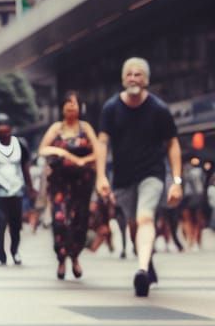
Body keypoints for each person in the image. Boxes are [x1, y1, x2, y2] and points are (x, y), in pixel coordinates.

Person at [96, 57, 182, 298]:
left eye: (138, 74)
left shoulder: (158, 109)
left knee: (145, 219)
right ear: (123, 79)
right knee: (134, 226)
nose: (133, 78)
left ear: (146, 80)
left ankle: (141, 271)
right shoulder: (111, 108)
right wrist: (101, 176)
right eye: (129, 74)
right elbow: (102, 143)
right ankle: (148, 262)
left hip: (152, 173)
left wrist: (176, 181)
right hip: (122, 177)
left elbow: (172, 144)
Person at [38, 91, 100, 280]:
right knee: (59, 220)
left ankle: (75, 257)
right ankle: (61, 258)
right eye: (68, 103)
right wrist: (64, 154)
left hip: (82, 183)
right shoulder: (56, 128)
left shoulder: (86, 128)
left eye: (74, 103)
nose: (71, 106)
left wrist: (83, 161)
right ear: (62, 107)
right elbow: (43, 149)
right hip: (60, 183)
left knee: (79, 222)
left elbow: (98, 152)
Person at [0, 114, 33, 267]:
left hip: (16, 188)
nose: (3, 129)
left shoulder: (20, 144)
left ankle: (15, 251)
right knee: (0, 222)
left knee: (15, 223)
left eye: (5, 125)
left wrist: (30, 187)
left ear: (10, 128)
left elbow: (25, 166)